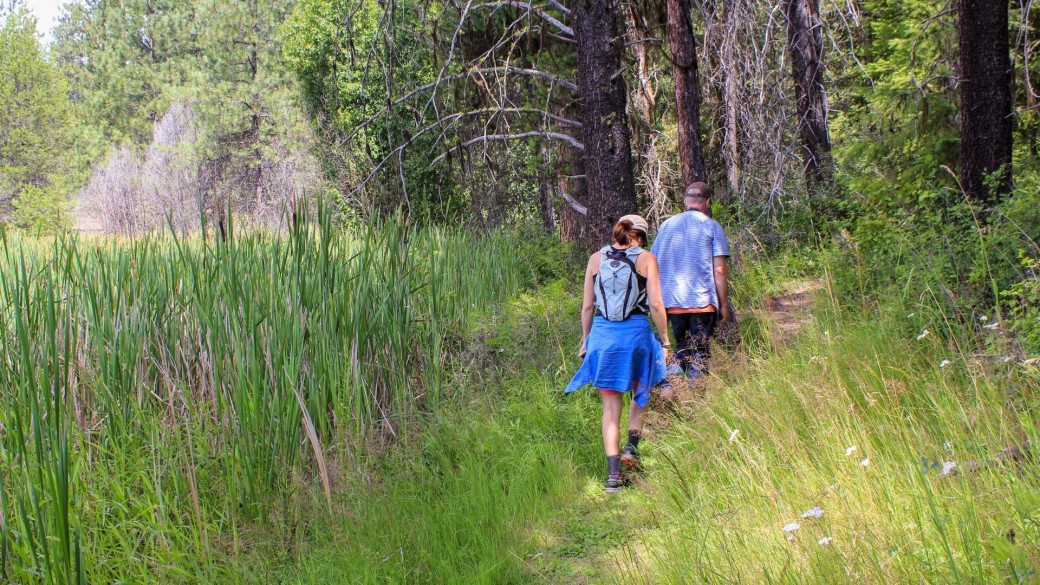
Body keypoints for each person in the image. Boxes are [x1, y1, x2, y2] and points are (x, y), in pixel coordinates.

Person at [565, 215, 670, 493]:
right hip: (635, 335)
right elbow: (656, 304)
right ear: (642, 236)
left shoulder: (594, 259)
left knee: (610, 408)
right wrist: (665, 340)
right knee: (641, 392)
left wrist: (586, 340)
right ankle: (632, 449)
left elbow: (587, 307)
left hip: (602, 336)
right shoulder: (646, 259)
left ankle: (613, 477)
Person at [650, 182, 730, 377]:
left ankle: (674, 395)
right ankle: (696, 403)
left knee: (682, 350)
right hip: (702, 303)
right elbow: (719, 270)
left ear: (686, 201)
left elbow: (652, 262)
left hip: (673, 304)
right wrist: (724, 304)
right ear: (708, 202)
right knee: (700, 355)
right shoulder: (711, 226)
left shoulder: (666, 225)